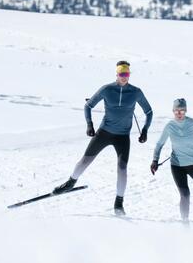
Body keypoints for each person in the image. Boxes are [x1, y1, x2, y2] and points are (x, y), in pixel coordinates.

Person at [53, 60, 153, 215]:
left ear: (129, 75)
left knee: (122, 169)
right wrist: (89, 125)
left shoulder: (136, 92)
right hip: (104, 133)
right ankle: (70, 183)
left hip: (123, 137)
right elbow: (88, 106)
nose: (124, 77)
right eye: (121, 74)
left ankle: (119, 203)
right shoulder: (107, 89)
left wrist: (145, 130)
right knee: (85, 160)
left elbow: (149, 112)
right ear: (116, 74)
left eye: (126, 74)